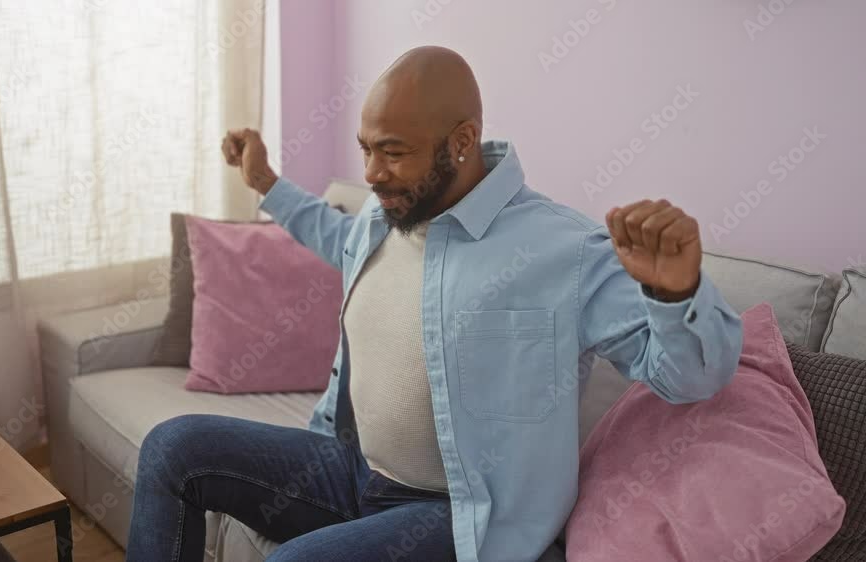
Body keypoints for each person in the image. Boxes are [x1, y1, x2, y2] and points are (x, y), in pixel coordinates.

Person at [125, 45, 743, 562]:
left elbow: (686, 379)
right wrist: (266, 184)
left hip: (459, 516)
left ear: (463, 141)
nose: (370, 172)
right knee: (171, 447)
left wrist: (675, 293)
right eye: (365, 147)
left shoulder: (565, 249)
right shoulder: (386, 213)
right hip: (354, 470)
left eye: (392, 151)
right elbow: (336, 238)